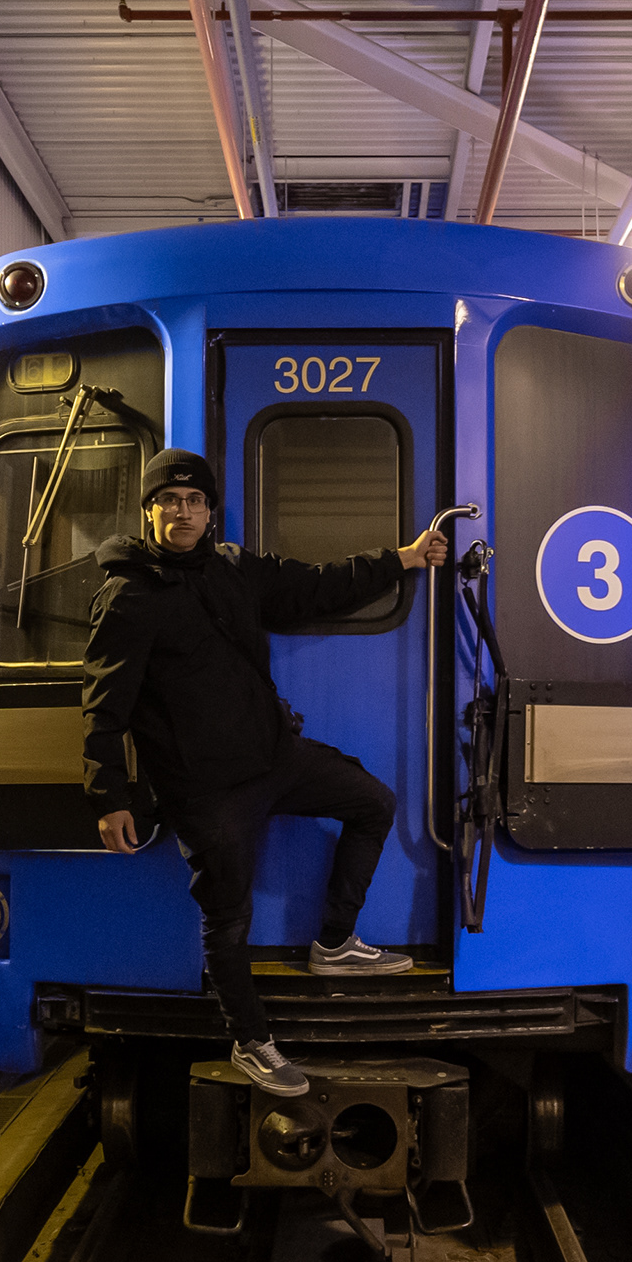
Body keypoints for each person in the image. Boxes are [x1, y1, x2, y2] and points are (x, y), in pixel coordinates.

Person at [81, 447, 452, 1095]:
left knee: (373, 802)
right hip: (206, 790)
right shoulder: (127, 596)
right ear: (149, 510)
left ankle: (334, 942)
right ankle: (251, 1041)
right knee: (228, 919)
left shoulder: (232, 569)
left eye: (195, 501)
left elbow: (316, 584)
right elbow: (102, 705)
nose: (183, 512)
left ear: (210, 512)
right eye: (169, 500)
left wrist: (404, 558)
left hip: (273, 759)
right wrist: (108, 794)